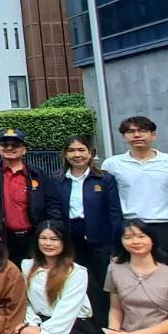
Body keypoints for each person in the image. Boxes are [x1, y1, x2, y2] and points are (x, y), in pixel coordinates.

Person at [10, 222, 103, 334]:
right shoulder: (27, 266)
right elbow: (25, 302)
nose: (48, 243)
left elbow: (68, 310)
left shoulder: (77, 272)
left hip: (75, 327)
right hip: (42, 321)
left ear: (64, 242)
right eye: (43, 238)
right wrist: (31, 324)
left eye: (54, 239)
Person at [103, 116, 168, 271]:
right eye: (131, 132)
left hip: (165, 227)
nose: (137, 135)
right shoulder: (112, 164)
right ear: (124, 137)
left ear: (153, 135)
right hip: (130, 227)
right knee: (131, 274)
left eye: (142, 131)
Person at [56, 136, 122, 323]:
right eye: (71, 150)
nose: (77, 155)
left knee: (102, 285)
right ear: (65, 154)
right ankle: (84, 328)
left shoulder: (104, 179)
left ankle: (107, 325)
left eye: (81, 150)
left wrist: (117, 247)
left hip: (100, 240)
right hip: (70, 241)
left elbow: (115, 214)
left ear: (90, 153)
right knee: (76, 285)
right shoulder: (59, 180)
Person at [0, 129, 64, 263]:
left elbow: (51, 204)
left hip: (32, 238)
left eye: (15, 145)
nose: (9, 148)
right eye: (5, 145)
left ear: (24, 150)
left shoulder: (37, 174)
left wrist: (52, 229)